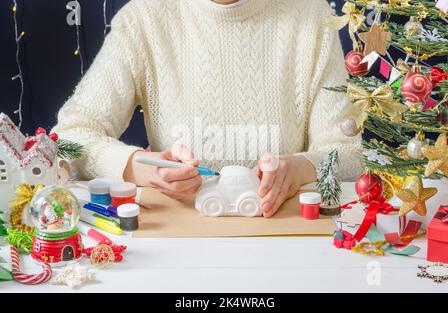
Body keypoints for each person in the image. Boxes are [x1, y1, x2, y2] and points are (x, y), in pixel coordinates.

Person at [53, 0, 362, 218]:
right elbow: (67, 139)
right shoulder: (144, 19)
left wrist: (300, 168)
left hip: (281, 240)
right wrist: (137, 166)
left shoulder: (311, 16)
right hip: (177, 246)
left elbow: (350, 153)